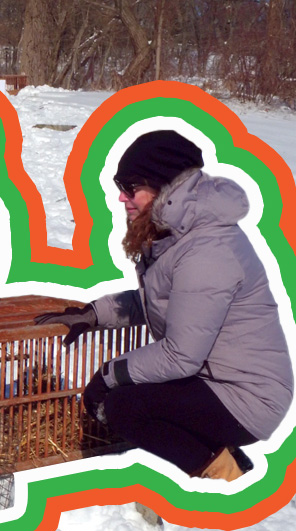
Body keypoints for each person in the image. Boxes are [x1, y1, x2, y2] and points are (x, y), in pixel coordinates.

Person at [34, 130, 293, 480]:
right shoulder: (181, 236)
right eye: (120, 188)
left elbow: (180, 355)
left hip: (247, 398)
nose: (124, 199)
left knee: (126, 407)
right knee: (132, 391)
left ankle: (225, 476)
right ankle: (219, 454)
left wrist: (109, 374)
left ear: (166, 188)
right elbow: (159, 301)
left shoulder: (207, 250)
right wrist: (93, 314)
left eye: (132, 187)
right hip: (218, 382)